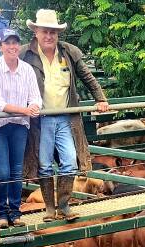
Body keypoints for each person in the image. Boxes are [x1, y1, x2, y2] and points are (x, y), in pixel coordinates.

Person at [21, 8, 109, 221]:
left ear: (58, 34)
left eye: (53, 32)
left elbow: (87, 76)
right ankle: (50, 209)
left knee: (69, 161)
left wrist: (101, 98)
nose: (49, 36)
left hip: (66, 117)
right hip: (40, 119)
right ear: (36, 32)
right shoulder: (25, 54)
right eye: (45, 32)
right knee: (43, 163)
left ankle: (64, 206)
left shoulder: (69, 52)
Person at [0, 29, 42, 227]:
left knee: (16, 171)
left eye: (15, 42)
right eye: (7, 43)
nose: (12, 46)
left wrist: (33, 107)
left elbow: (35, 97)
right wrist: (25, 110)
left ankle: (15, 213)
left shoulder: (26, 70)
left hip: (19, 125)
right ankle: (1, 213)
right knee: (3, 172)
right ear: (0, 46)